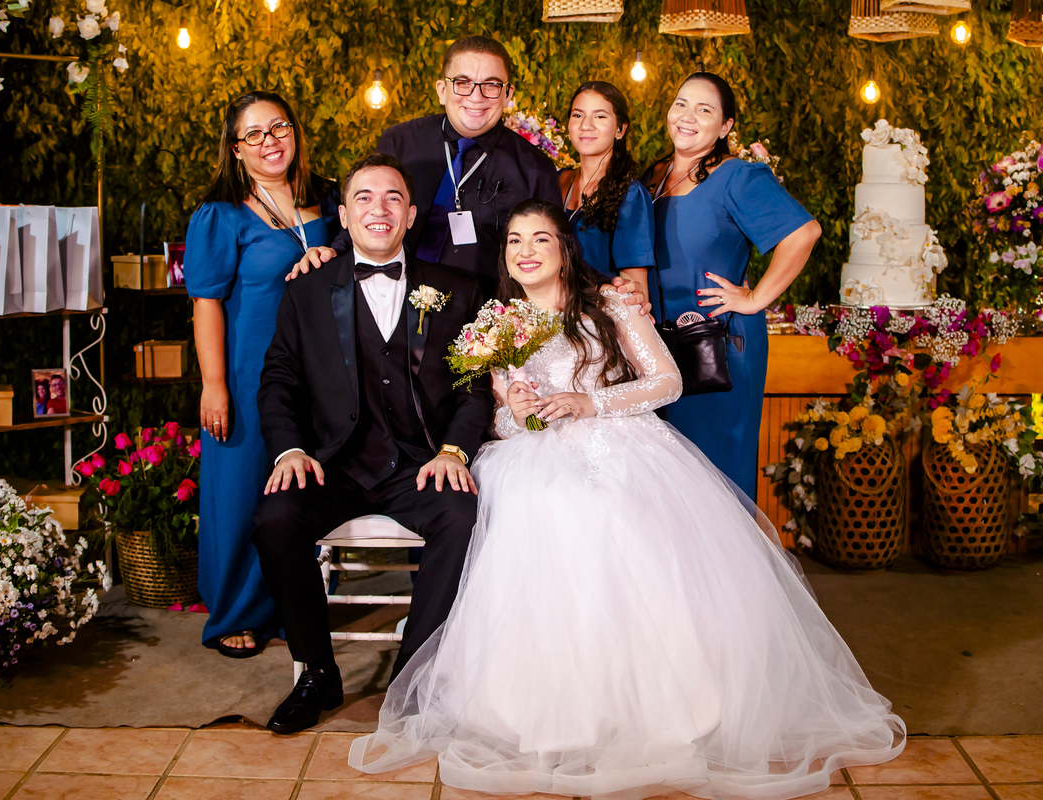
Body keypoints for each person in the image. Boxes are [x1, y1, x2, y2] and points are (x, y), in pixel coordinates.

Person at [348, 200, 905, 798]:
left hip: (617, 438)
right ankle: (540, 707)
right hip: (527, 452)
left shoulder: (609, 304)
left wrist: (590, 403)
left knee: (613, 517)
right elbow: (493, 406)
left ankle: (658, 703)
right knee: (540, 508)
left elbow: (667, 380)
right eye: (514, 241)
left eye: (540, 238)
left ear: (565, 248)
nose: (526, 250)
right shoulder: (495, 318)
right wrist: (515, 403)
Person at [252, 153, 494, 735]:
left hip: (420, 464)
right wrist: (290, 450)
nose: (378, 209)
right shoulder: (306, 290)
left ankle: (414, 675)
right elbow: (279, 378)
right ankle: (316, 670)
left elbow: (476, 386)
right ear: (343, 213)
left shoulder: (458, 290)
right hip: (334, 465)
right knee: (275, 518)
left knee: (462, 514)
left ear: (411, 215)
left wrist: (454, 451)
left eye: (392, 198)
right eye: (363, 197)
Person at [185, 90, 341, 659]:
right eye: (255, 134)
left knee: (298, 487)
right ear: (236, 149)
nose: (270, 141)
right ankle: (233, 611)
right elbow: (205, 304)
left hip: (317, 368)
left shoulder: (326, 197)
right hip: (248, 368)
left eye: (279, 128)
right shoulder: (221, 215)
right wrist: (214, 384)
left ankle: (290, 599)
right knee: (240, 489)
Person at [645, 72, 821, 498]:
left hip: (716, 344)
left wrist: (756, 297)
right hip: (656, 347)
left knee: (713, 477)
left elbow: (804, 233)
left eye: (705, 110)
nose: (688, 116)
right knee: (664, 480)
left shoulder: (737, 176)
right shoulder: (653, 176)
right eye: (681, 103)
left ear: (725, 127)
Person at [291, 35, 562, 297]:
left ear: (507, 94)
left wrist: (599, 285)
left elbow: (557, 249)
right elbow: (370, 211)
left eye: (491, 85)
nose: (476, 97)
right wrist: (333, 251)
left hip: (488, 317)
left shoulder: (534, 168)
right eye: (463, 83)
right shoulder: (400, 142)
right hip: (393, 301)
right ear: (442, 91)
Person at [559, 81, 654, 304]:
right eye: (578, 115)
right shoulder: (559, 180)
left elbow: (634, 292)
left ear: (620, 129)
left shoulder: (630, 194)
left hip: (600, 315)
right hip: (556, 311)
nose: (586, 125)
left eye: (600, 117)